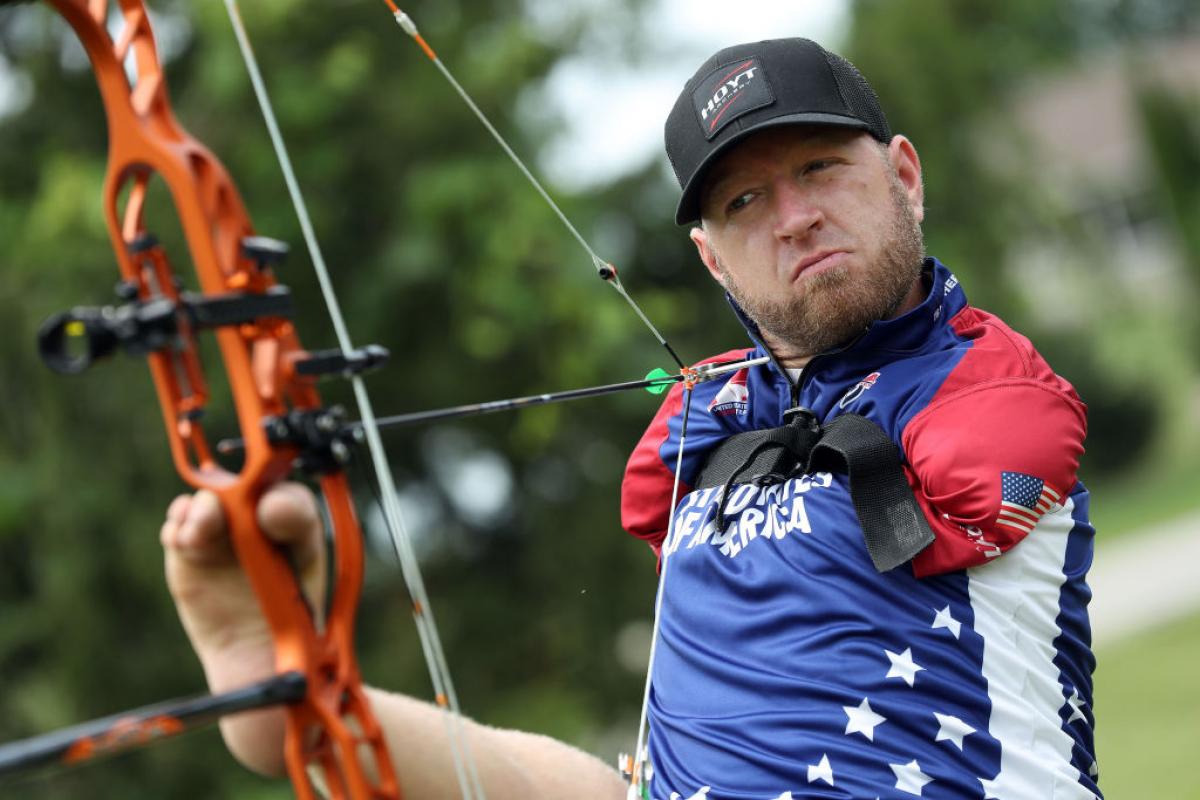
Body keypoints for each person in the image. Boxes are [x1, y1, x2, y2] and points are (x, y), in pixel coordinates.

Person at [163, 38, 1099, 799]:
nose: (795, 216)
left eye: (821, 167)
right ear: (712, 261)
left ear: (904, 174)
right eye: (745, 201)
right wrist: (290, 678)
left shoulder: (983, 387)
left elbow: (982, 476)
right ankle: (281, 686)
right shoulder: (711, 430)